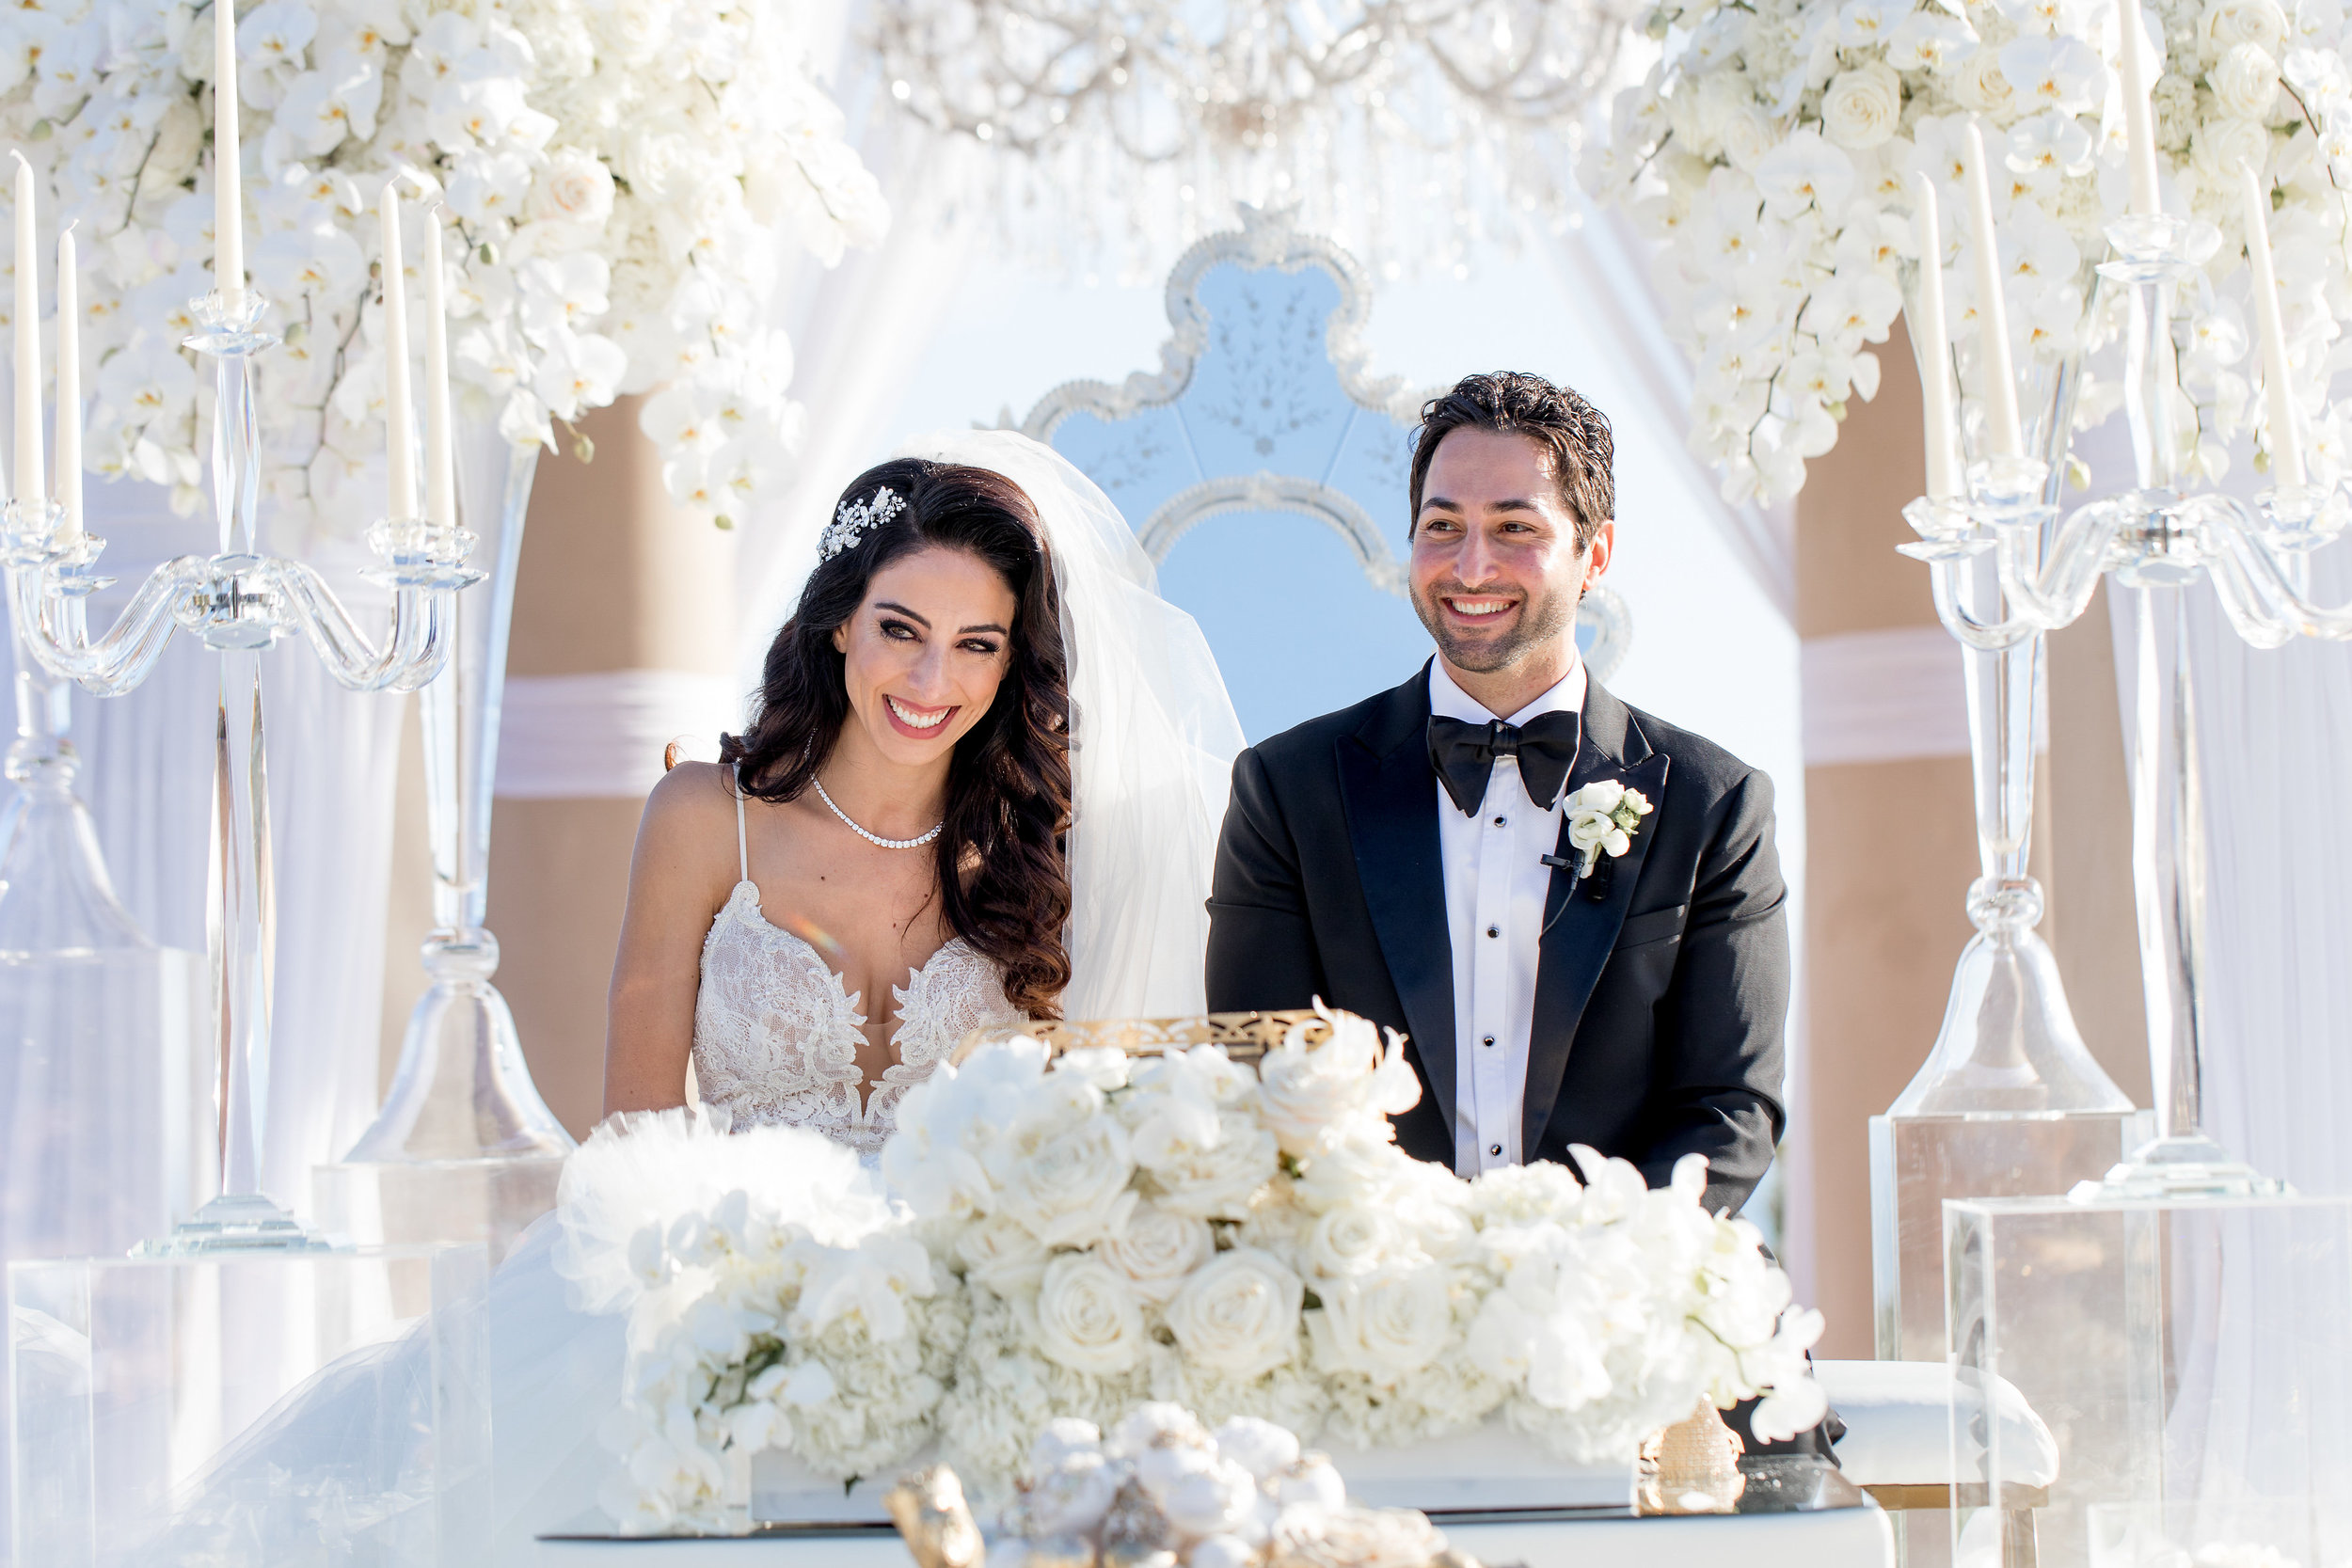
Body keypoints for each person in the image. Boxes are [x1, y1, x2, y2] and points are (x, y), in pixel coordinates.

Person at [165, 431, 1244, 1565]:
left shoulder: (1041, 853)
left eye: (976, 645)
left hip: (966, 1319)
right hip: (713, 1295)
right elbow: (636, 1124)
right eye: (901, 630)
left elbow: (1072, 1132)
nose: (933, 683)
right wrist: (722, 1311)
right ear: (838, 619)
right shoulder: (702, 816)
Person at [1202, 372, 1790, 1219]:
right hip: (1371, 1302)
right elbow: (1260, 1081)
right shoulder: (1286, 793)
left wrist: (1575, 1278)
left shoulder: (1715, 806)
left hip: (1621, 1301)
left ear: (1595, 555)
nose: (1470, 565)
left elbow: (1729, 1111)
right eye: (1443, 526)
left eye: (1515, 527)